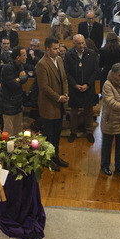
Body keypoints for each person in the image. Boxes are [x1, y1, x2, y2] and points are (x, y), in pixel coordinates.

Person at [35, 37, 70, 167]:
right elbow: (44, 87)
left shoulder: (59, 60)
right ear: (47, 49)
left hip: (59, 104)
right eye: (55, 49)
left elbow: (65, 79)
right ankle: (47, 160)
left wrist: (65, 94)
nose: (58, 51)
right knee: (49, 135)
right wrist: (58, 97)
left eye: (58, 48)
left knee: (57, 133)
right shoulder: (42, 64)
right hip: (49, 105)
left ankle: (55, 156)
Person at [65, 33, 99, 141]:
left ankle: (89, 131)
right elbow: (67, 72)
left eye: (82, 43)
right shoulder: (69, 54)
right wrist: (75, 84)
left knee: (88, 111)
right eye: (78, 43)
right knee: (73, 111)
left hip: (88, 87)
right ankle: (73, 132)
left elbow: (95, 71)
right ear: (74, 43)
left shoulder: (91, 53)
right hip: (74, 87)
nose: (81, 45)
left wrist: (87, 84)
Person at [0, 46, 30, 136]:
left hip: (17, 102)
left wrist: (19, 79)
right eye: (24, 55)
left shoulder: (19, 65)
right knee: (9, 131)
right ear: (18, 57)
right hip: (8, 103)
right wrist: (20, 79)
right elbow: (13, 85)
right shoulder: (7, 68)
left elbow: (26, 77)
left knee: (18, 129)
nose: (26, 57)